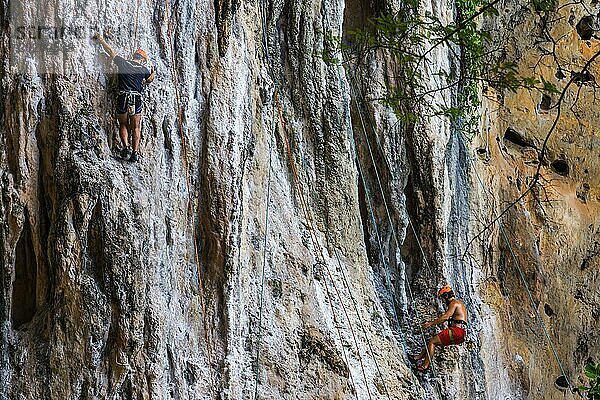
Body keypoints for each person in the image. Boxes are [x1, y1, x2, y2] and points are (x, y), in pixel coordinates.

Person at [94, 33, 155, 162]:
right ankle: (135, 153)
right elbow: (149, 80)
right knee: (136, 127)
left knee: (122, 123)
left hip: (123, 96)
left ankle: (125, 147)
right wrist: (153, 73)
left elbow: (110, 51)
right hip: (136, 98)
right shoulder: (143, 69)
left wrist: (101, 40)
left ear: (133, 56)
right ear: (143, 60)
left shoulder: (123, 63)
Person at [410, 285, 468, 372]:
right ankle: (416, 358)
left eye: (442, 298)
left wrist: (430, 323)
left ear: (446, 296)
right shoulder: (460, 304)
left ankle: (424, 366)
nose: (443, 301)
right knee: (432, 342)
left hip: (456, 331)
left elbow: (445, 317)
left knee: (432, 342)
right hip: (462, 335)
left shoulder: (454, 303)